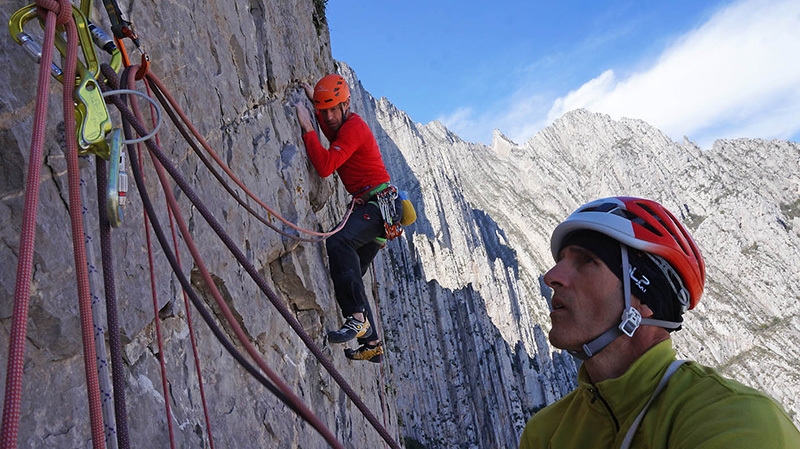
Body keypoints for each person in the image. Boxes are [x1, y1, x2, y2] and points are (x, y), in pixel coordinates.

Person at [519, 196, 800, 448]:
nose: (551, 276)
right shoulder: (544, 433)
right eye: (561, 260)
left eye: (587, 260)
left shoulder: (738, 419)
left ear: (644, 299)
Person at [294, 73, 392, 363]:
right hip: (377, 210)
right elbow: (331, 128)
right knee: (349, 277)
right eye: (325, 111)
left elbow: (325, 166)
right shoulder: (341, 123)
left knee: (338, 243)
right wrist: (317, 100)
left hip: (376, 207)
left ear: (347, 105)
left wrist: (309, 128)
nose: (329, 116)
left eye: (334, 109)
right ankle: (371, 343)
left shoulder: (354, 128)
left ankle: (357, 319)